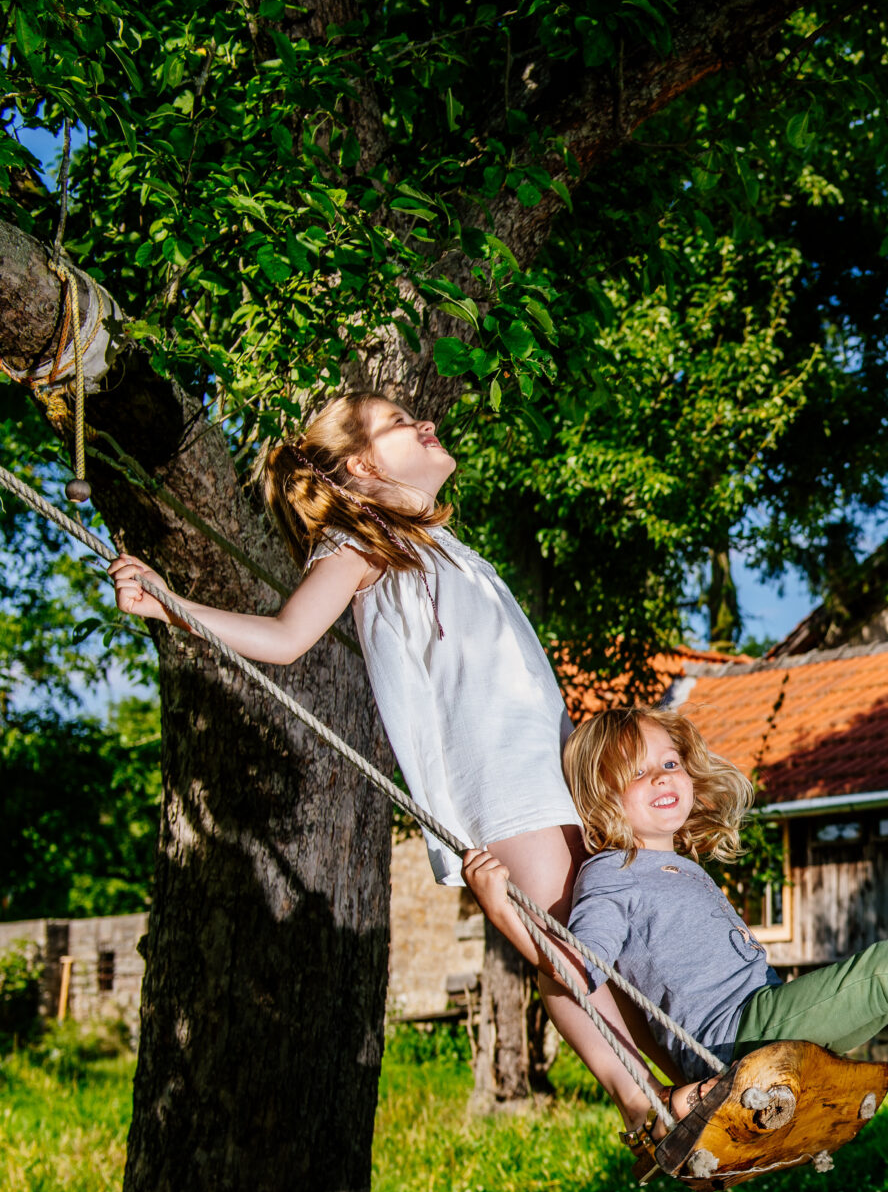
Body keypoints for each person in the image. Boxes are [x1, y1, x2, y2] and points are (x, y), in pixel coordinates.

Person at [106, 392, 659, 1129]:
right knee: (569, 948)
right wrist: (172, 604)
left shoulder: (438, 544)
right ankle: (644, 1105)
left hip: (553, 772)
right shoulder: (359, 544)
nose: (425, 421)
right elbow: (285, 635)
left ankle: (691, 1088)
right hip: (504, 788)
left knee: (608, 943)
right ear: (363, 464)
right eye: (400, 422)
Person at [463, 708, 888, 1115]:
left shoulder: (678, 866)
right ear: (602, 798)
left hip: (767, 1015)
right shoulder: (612, 876)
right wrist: (502, 908)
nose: (663, 778)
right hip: (736, 1042)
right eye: (638, 773)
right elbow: (578, 970)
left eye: (669, 762)